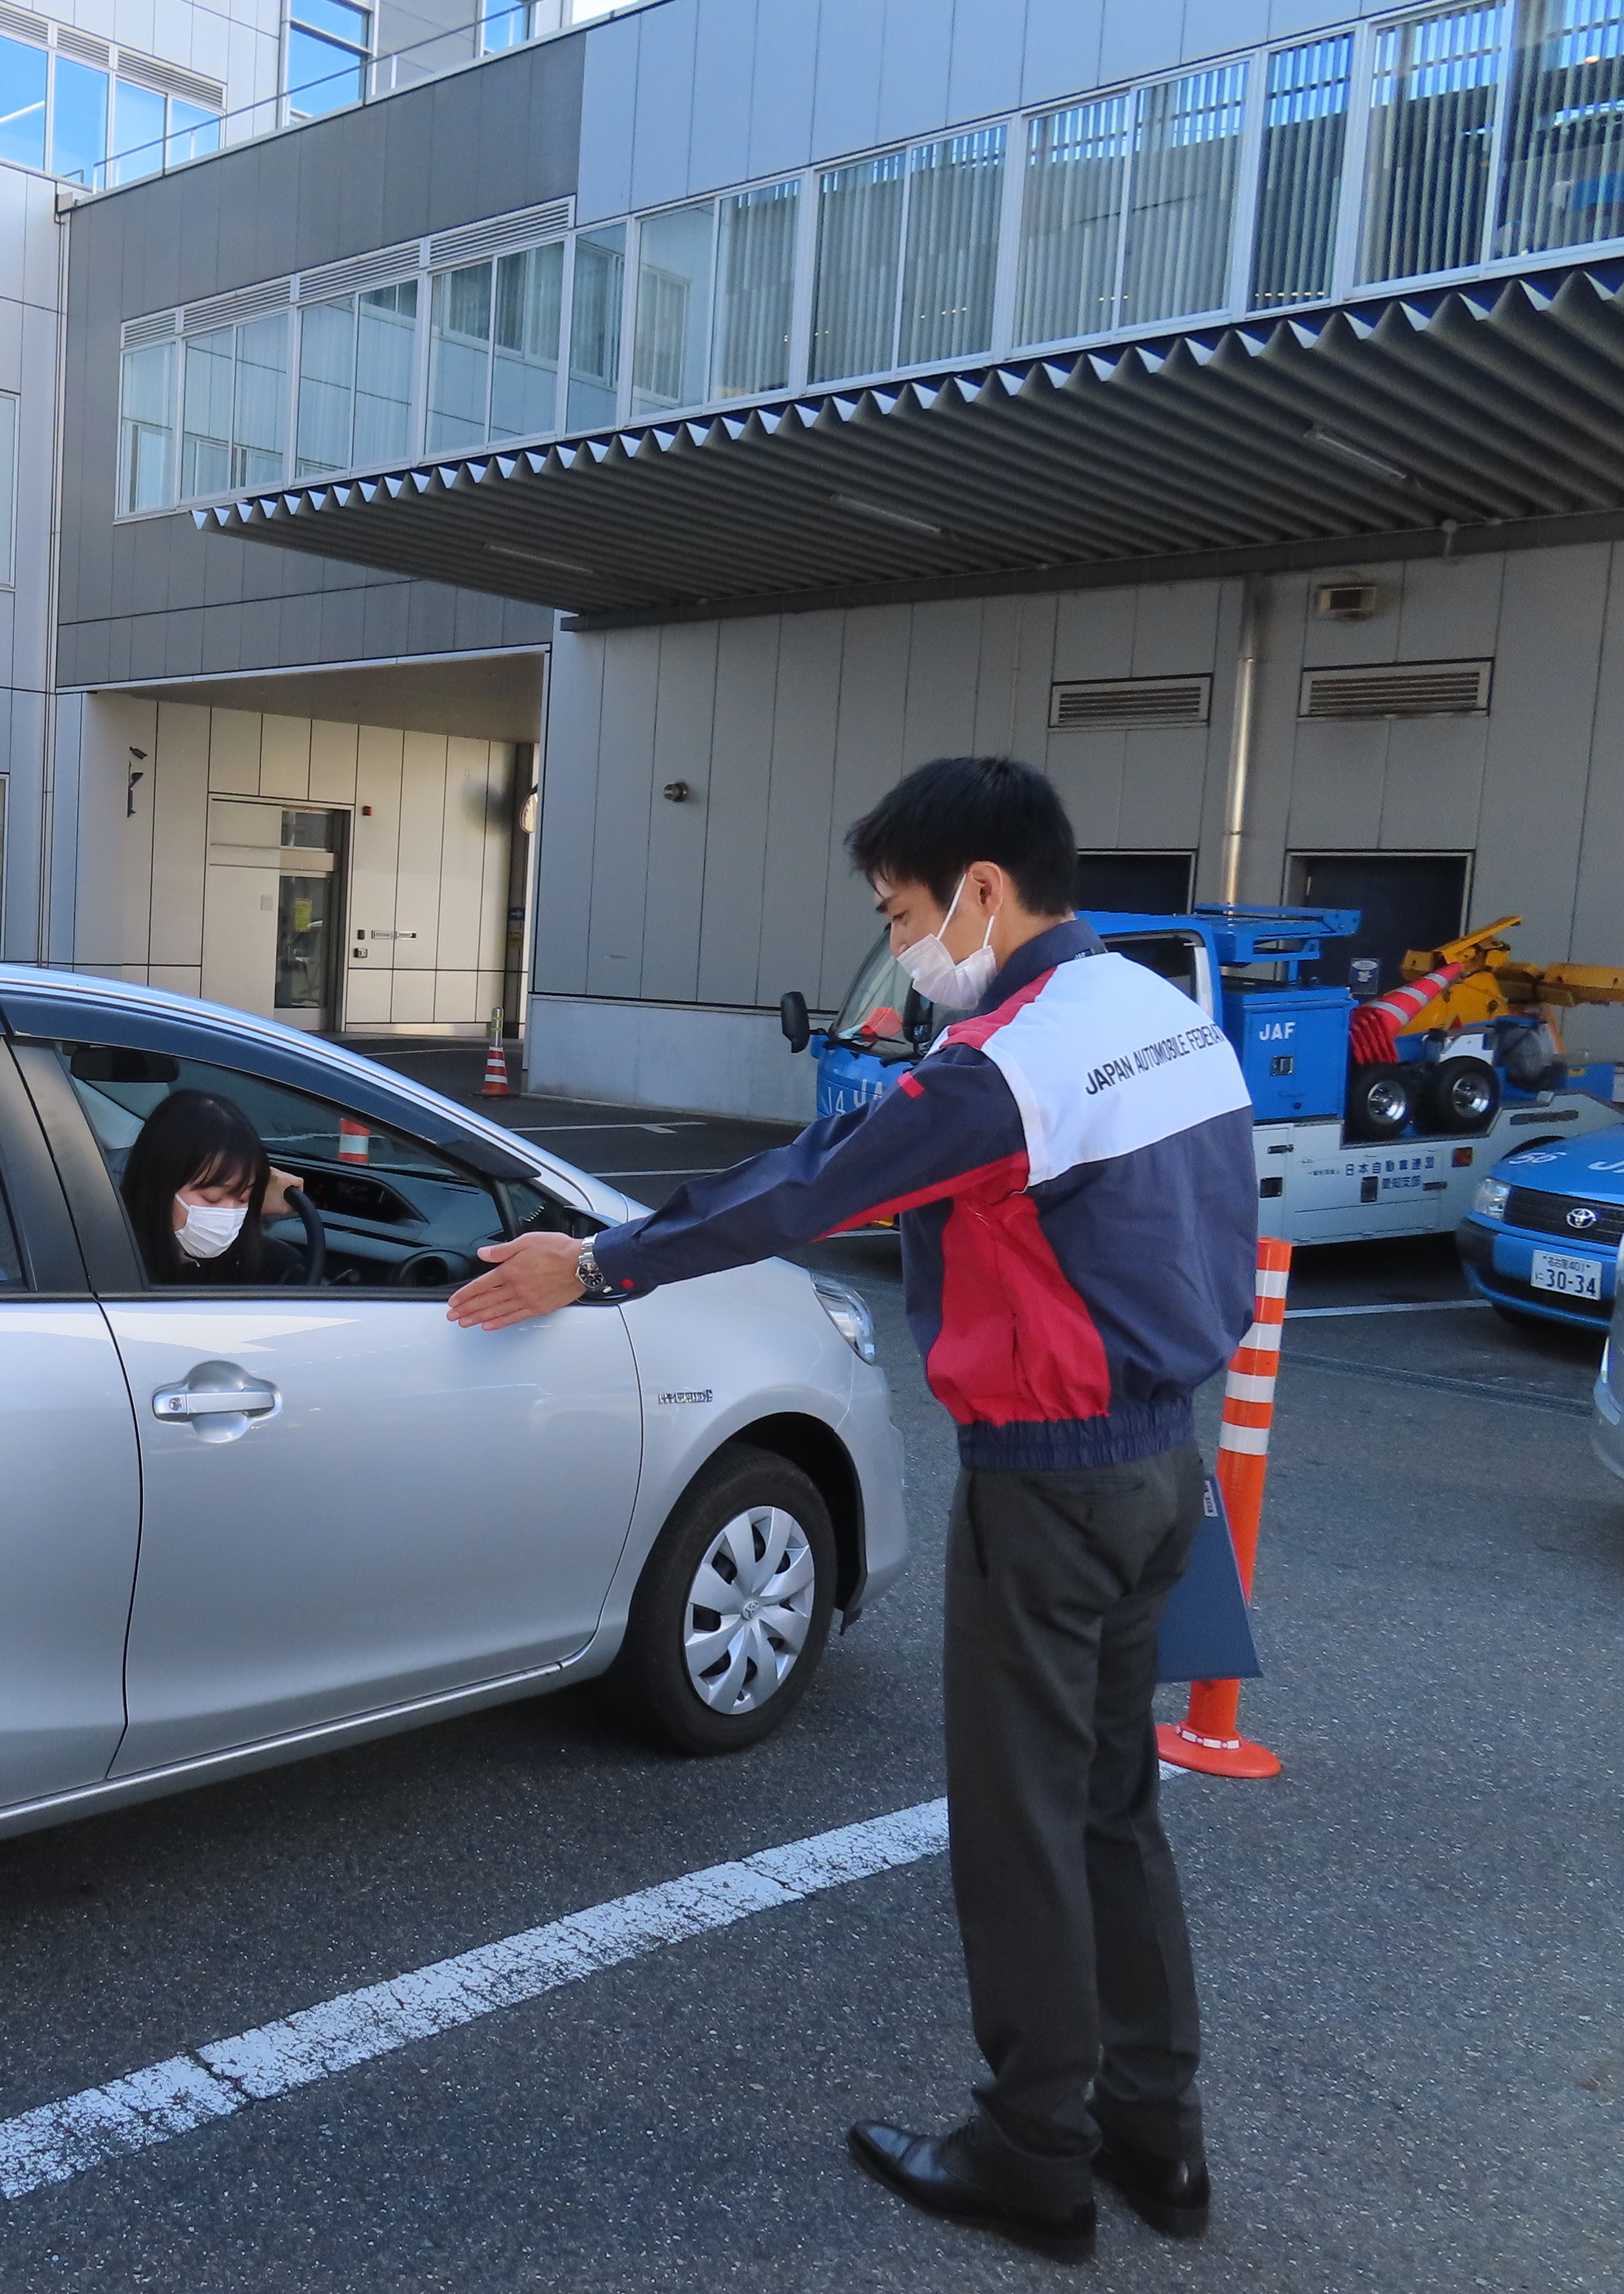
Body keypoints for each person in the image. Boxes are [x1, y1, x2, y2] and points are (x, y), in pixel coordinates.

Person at [448, 755, 1252, 2264]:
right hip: (1163, 1464)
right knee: (1112, 1805)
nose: (902, 945)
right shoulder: (1163, 1014)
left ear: (980, 892)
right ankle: (1161, 2137)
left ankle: (1033, 2154)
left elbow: (806, 1185)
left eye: (901, 911)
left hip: (1053, 1477)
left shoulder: (1003, 1061)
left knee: (1019, 1820)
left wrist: (600, 1261)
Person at [120, 1089, 310, 1284]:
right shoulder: (112, 1264)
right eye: (212, 1198)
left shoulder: (270, 1267)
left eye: (243, 1199)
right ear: (157, 1187)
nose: (227, 1216)